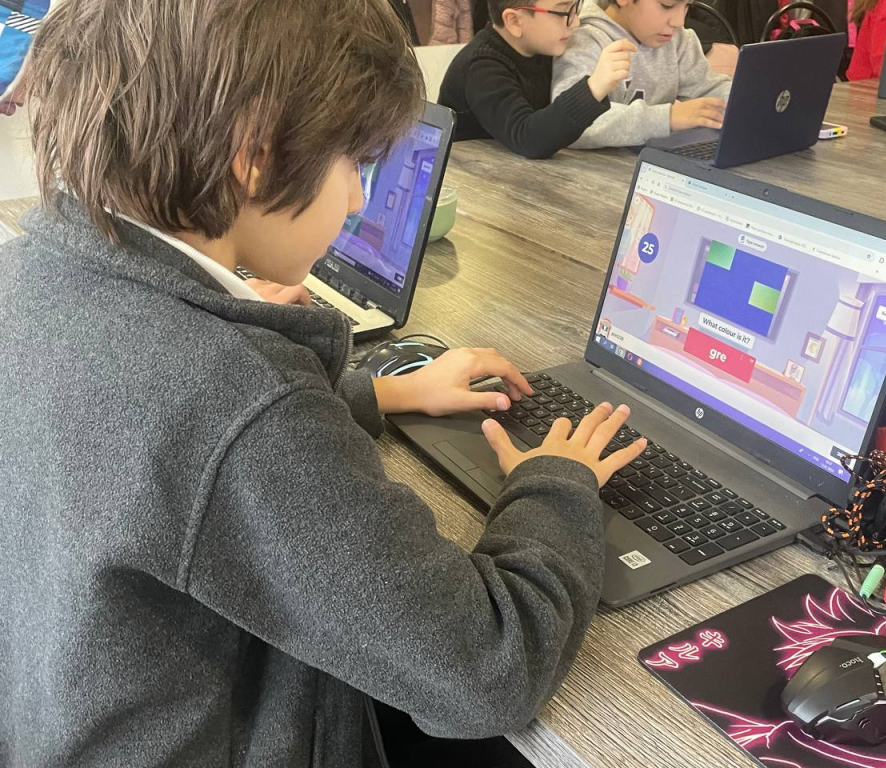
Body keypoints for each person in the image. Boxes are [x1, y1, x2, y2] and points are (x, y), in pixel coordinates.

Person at [0, 1, 647, 766]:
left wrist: (382, 392)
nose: (360, 200)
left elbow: (173, 462)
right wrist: (556, 483)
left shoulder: (37, 269)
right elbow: (489, 669)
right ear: (256, 155)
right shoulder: (235, 398)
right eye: (356, 164)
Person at [440, 0, 636, 158]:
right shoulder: (481, 68)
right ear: (515, 21)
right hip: (468, 182)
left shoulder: (544, 48)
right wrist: (593, 88)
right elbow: (527, 138)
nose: (575, 22)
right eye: (562, 12)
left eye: (575, 7)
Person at [551, 0, 731, 150]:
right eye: (667, 5)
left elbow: (711, 89)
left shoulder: (679, 40)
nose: (679, 21)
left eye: (686, 6)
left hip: (651, 165)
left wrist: (741, 99)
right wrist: (667, 118)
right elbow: (571, 126)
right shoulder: (584, 40)